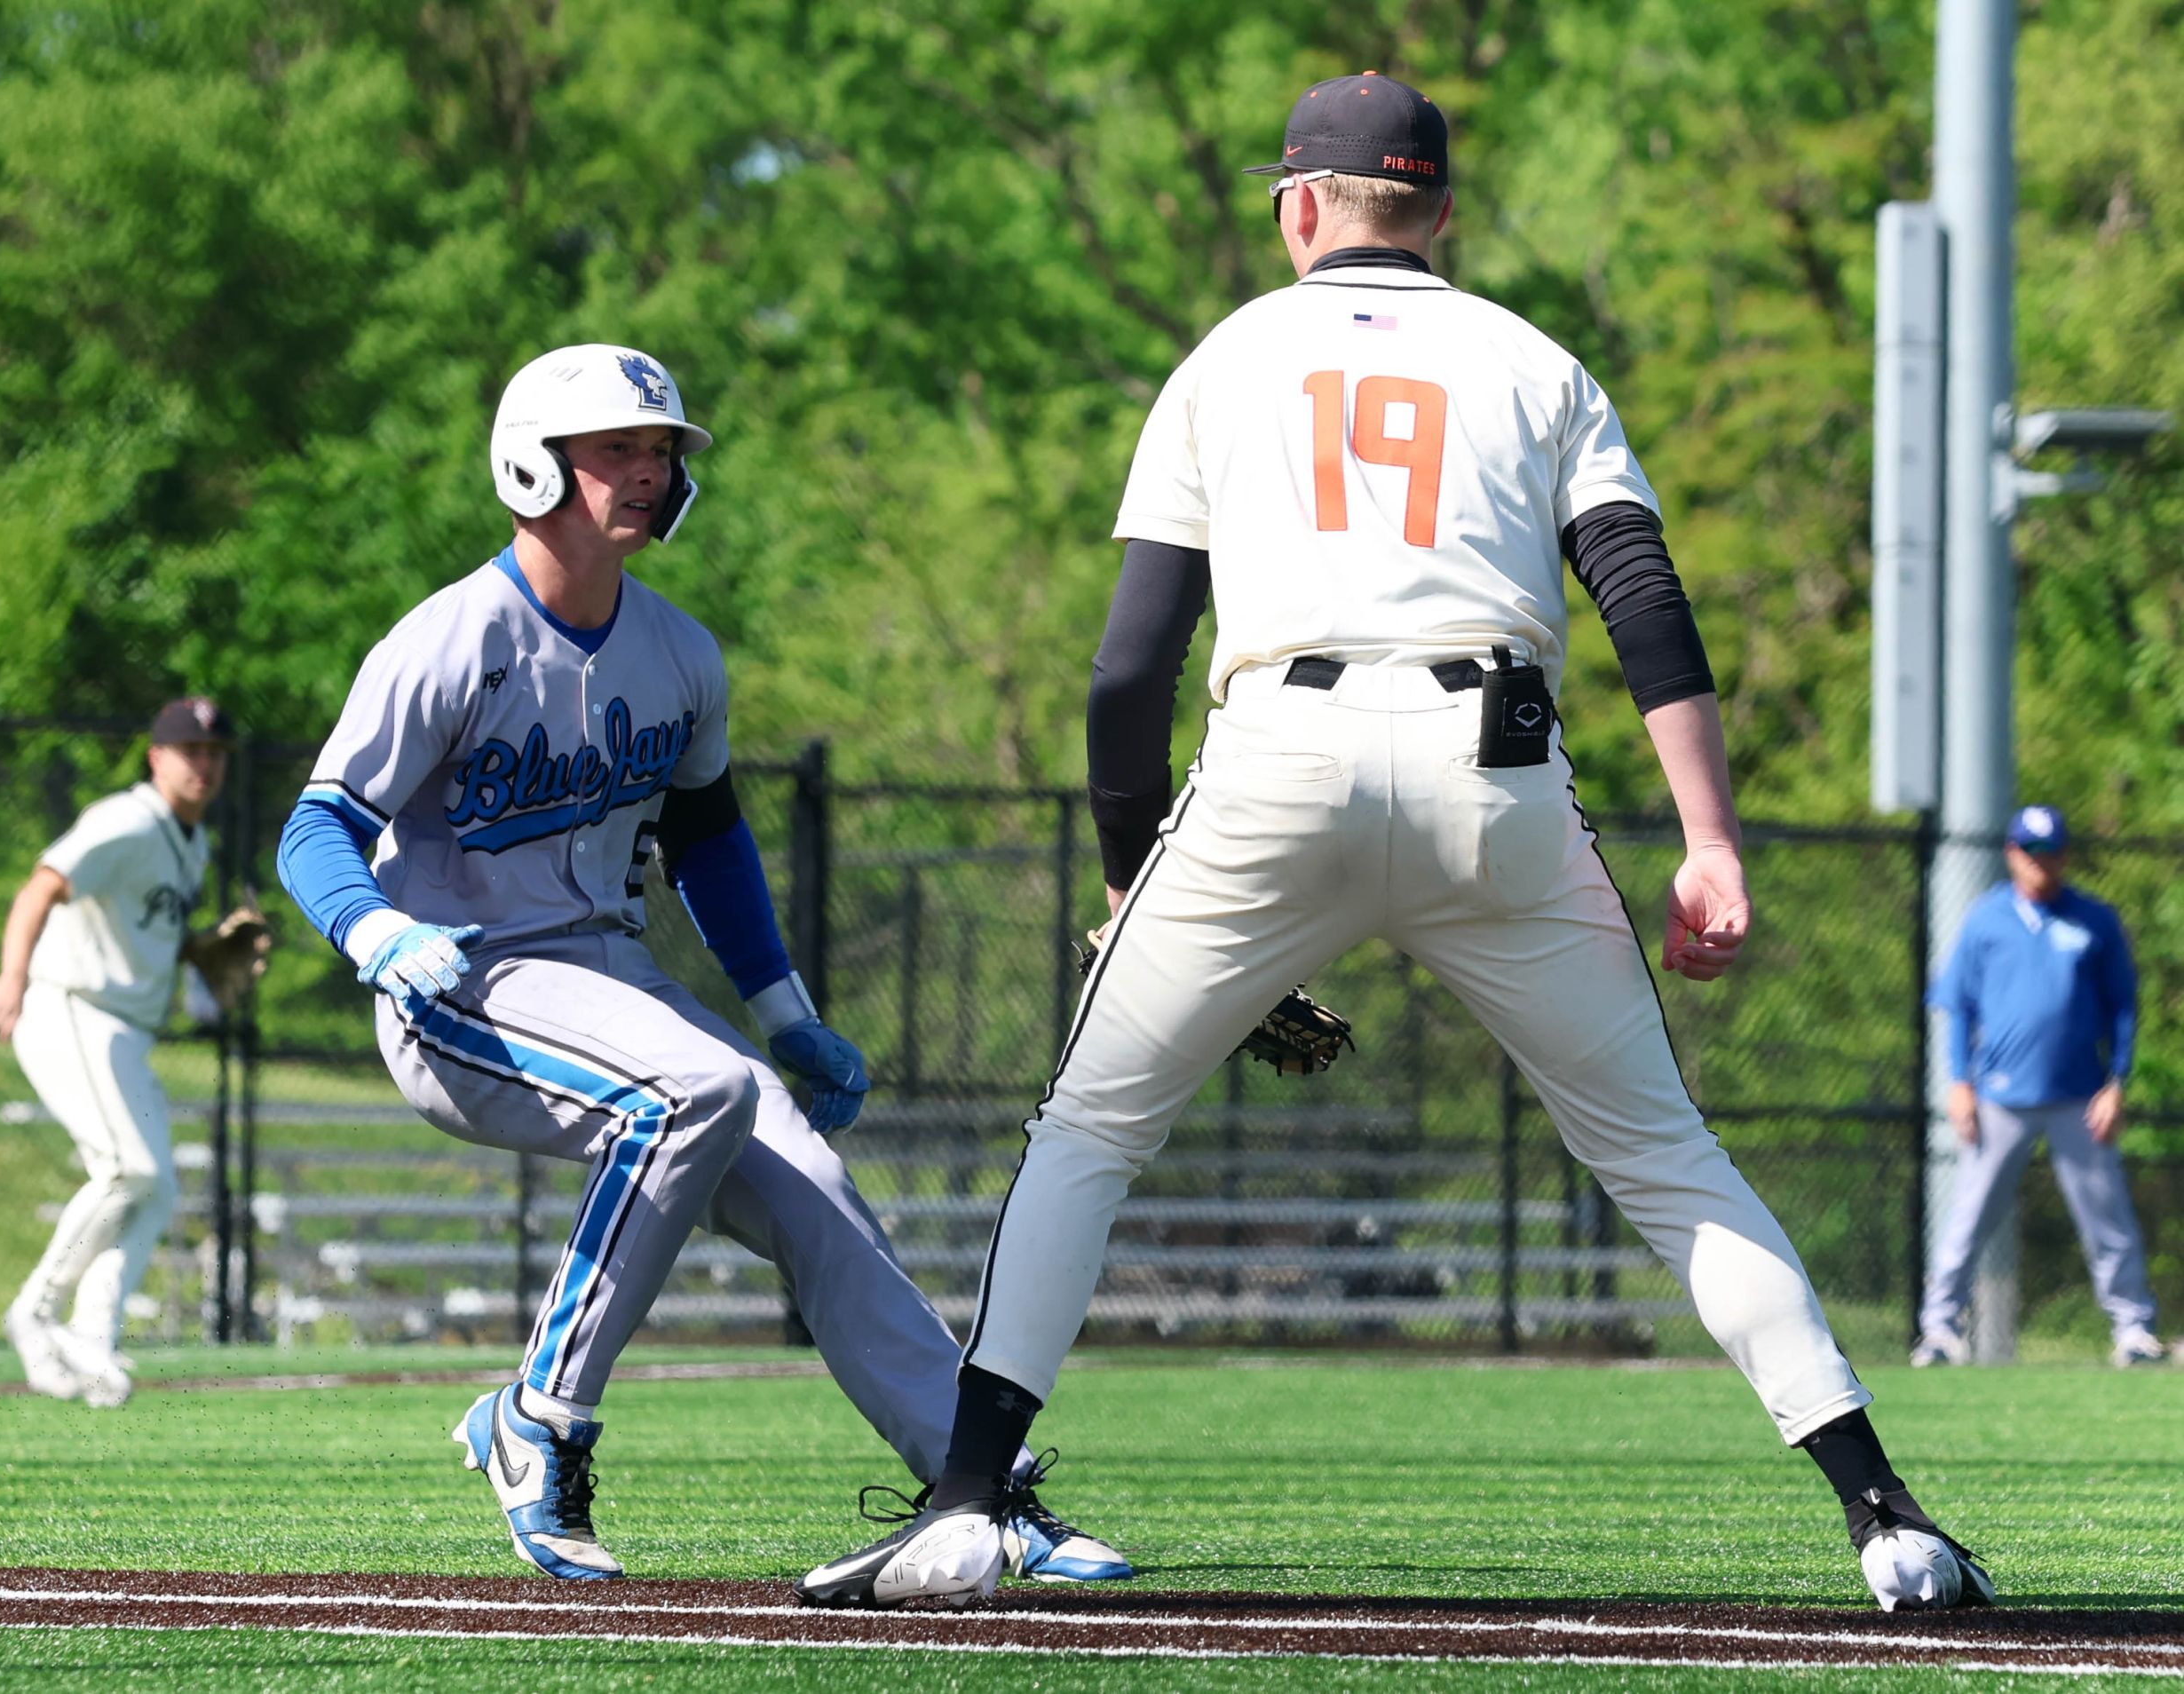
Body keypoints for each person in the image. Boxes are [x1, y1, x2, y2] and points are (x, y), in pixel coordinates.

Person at [800, 75, 1990, 1614]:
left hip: (1274, 766)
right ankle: (1887, 1517)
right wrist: (1709, 839)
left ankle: (968, 1504)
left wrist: (1128, 870)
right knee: (1663, 1155)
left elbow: (1129, 667)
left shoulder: (1228, 357)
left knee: (1089, 1134)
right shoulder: (1534, 361)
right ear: (1440, 211)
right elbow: (1643, 599)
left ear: (1300, 205)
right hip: (1491, 763)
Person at [276, 344, 1128, 1585]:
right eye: (615, 448)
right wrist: (377, 933)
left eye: (661, 450)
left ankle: (974, 1490)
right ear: (532, 465)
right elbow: (315, 829)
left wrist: (785, 1014)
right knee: (695, 1090)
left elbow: (711, 841)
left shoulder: (678, 654)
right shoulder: (450, 640)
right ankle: (540, 1418)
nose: (646, 470)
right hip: (462, 987)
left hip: (610, 979)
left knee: (814, 1187)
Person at [0, 697, 241, 1407]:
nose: (204, 764)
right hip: (70, 1007)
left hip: (124, 1029)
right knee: (128, 1168)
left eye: (215, 753)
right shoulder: (125, 821)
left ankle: (92, 1333)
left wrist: (196, 963)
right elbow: (41, 886)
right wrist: (10, 976)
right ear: (156, 758)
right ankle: (36, 1311)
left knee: (157, 1187)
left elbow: (148, 936)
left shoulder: (192, 842)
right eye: (190, 750)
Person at [1914, 804, 2161, 1370]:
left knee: (2107, 1220)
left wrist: (2116, 1082)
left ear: (2066, 855)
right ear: (2011, 854)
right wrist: (1959, 1082)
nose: (2040, 862)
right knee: (1968, 1217)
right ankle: (1939, 1330)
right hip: (2000, 1096)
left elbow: (2123, 1008)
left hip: (2080, 1097)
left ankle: (2134, 1329)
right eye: (2030, 851)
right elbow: (1958, 1005)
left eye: (2050, 852)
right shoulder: (1986, 919)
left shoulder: (2094, 919)